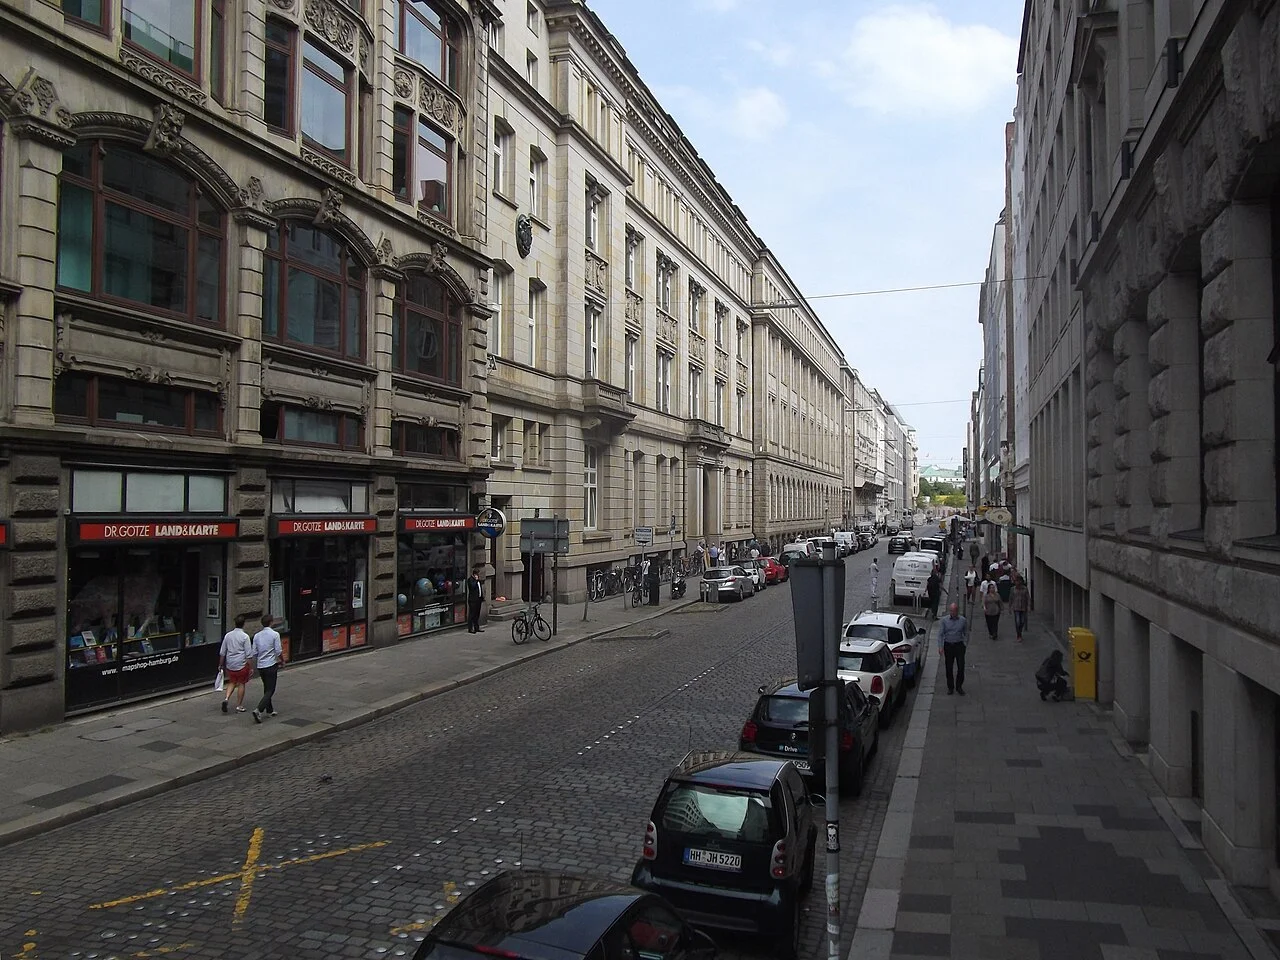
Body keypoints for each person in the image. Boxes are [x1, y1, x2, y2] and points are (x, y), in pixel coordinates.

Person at [251, 614, 283, 723]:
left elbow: (254, 652)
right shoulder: (275, 634)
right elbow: (278, 651)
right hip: (271, 665)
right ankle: (258, 710)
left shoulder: (257, 636)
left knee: (266, 687)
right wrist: (282, 660)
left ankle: (270, 710)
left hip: (261, 666)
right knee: (271, 689)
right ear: (271, 622)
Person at [218, 614, 254, 714]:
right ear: (244, 624)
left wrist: (221, 664)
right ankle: (239, 705)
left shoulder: (228, 635)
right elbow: (249, 654)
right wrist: (250, 667)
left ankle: (226, 698)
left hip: (230, 664)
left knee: (232, 682)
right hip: (241, 664)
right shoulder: (245, 637)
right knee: (241, 683)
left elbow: (222, 652)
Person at [937, 602, 968, 696]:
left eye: (954, 611)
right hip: (948, 645)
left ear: (957, 611)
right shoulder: (944, 620)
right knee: (949, 667)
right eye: (951, 611)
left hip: (959, 645)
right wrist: (940, 646)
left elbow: (966, 632)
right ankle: (950, 687)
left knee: (961, 666)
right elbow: (940, 634)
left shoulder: (963, 620)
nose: (952, 613)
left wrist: (965, 644)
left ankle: (959, 686)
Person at [1010, 575, 1030, 642]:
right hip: (1016, 607)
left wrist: (1029, 606)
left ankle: (1020, 631)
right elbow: (1011, 598)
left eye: (1018, 581)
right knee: (1018, 621)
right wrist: (1010, 607)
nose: (1017, 582)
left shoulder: (1025, 589)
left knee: (1022, 621)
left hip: (1023, 607)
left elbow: (1028, 598)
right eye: (1016, 581)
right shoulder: (1013, 589)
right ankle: (1019, 635)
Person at [466, 565, 484, 633]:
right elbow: (472, 587)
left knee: (477, 614)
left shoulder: (478, 580)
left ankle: (477, 627)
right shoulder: (470, 580)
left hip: (478, 599)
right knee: (472, 614)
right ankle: (470, 628)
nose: (478, 575)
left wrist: (482, 597)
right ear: (474, 574)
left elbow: (480, 589)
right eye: (477, 574)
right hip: (473, 600)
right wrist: (476, 581)